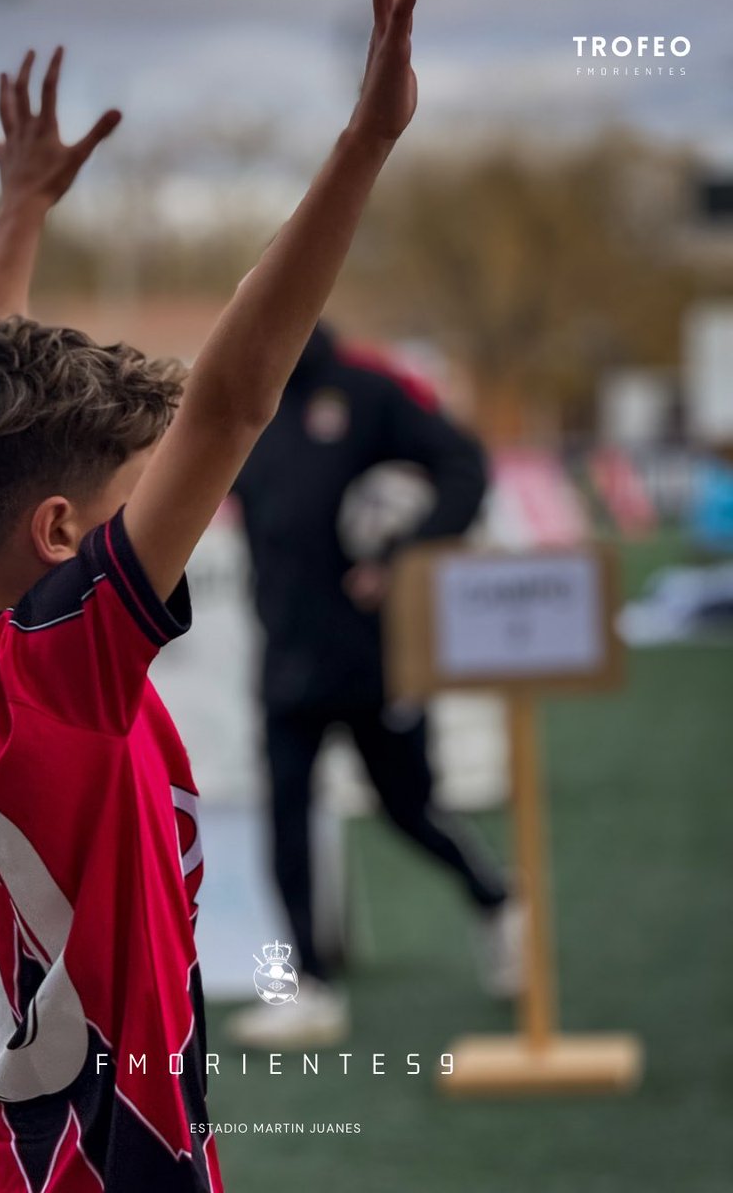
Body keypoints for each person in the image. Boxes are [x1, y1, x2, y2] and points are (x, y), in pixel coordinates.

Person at [0, 0, 423, 1190]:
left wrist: (16, 220)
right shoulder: (59, 673)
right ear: (58, 533)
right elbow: (233, 399)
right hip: (105, 1168)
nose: (156, 518)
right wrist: (366, 140)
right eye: (132, 498)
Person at [226, 323, 523, 1049]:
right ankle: (307, 987)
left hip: (372, 657)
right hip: (285, 658)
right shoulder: (242, 408)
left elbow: (464, 466)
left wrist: (406, 555)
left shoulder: (368, 394)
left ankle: (498, 901)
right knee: (286, 820)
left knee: (408, 807)